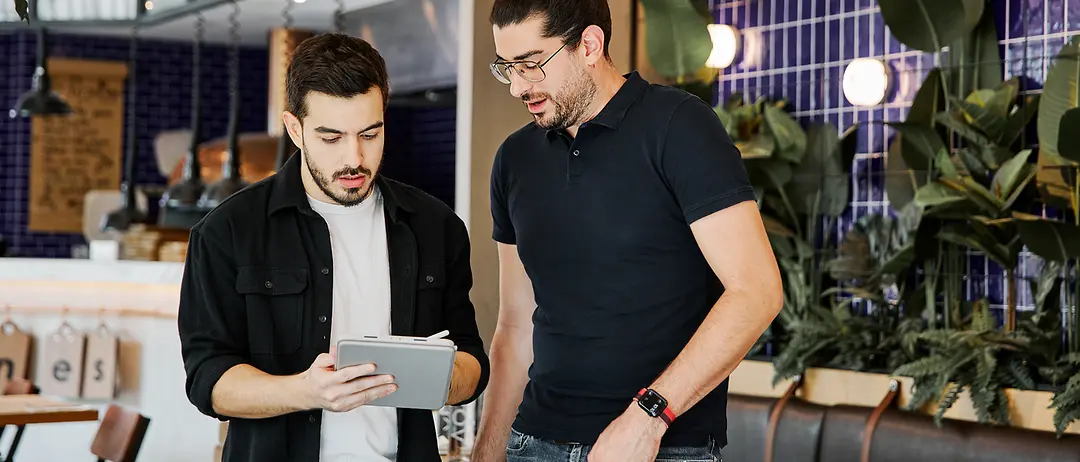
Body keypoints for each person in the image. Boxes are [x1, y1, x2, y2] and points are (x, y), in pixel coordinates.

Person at [472, 1, 783, 461]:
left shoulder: (679, 126)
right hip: (533, 443)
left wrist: (645, 419)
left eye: (532, 64)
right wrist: (487, 452)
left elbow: (756, 292)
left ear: (590, 45)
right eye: (507, 68)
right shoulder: (514, 160)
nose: (518, 86)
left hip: (660, 445)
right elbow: (516, 326)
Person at [178, 33, 489, 462]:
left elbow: (472, 364)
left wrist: (436, 378)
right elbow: (207, 379)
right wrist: (305, 391)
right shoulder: (227, 231)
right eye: (331, 137)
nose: (354, 158)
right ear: (295, 129)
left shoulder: (436, 227)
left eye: (370, 133)